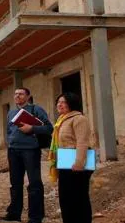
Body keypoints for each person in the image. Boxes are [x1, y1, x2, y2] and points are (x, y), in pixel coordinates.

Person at [0, 87, 53, 223]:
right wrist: (10, 142)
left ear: (28, 97)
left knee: (34, 183)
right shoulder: (11, 113)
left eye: (21, 94)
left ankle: (35, 217)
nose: (17, 96)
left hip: (30, 150)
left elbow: (48, 128)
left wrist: (32, 128)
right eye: (16, 94)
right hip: (13, 151)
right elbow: (9, 130)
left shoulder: (36, 110)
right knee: (15, 183)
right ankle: (14, 214)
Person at [48, 92, 93, 223]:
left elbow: (82, 141)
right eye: (59, 102)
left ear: (72, 103)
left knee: (79, 197)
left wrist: (79, 162)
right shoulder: (61, 119)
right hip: (65, 162)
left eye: (64, 102)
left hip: (77, 163)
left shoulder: (79, 119)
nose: (60, 104)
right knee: (66, 198)